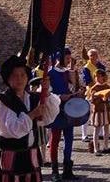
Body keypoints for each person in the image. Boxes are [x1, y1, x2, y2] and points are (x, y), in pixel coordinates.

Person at [0, 54, 60, 182]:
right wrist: (32, 114)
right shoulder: (3, 102)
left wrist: (46, 91)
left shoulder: (33, 98)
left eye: (23, 75)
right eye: (15, 76)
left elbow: (49, 117)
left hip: (30, 156)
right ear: (8, 79)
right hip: (10, 158)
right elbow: (12, 131)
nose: (20, 79)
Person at [47, 48, 83, 181]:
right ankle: (55, 172)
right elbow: (46, 92)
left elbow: (73, 88)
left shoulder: (69, 73)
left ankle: (68, 170)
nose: (69, 60)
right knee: (55, 140)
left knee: (69, 140)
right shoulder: (50, 73)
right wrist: (59, 97)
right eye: (67, 58)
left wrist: (77, 93)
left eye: (69, 58)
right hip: (56, 111)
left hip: (69, 111)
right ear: (59, 58)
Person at [87, 69, 110, 155]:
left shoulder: (108, 86)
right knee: (97, 129)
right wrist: (98, 98)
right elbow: (91, 100)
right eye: (96, 76)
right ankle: (96, 149)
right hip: (98, 110)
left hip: (106, 109)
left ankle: (106, 147)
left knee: (106, 128)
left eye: (99, 76)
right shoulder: (94, 88)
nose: (97, 78)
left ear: (103, 77)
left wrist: (108, 98)